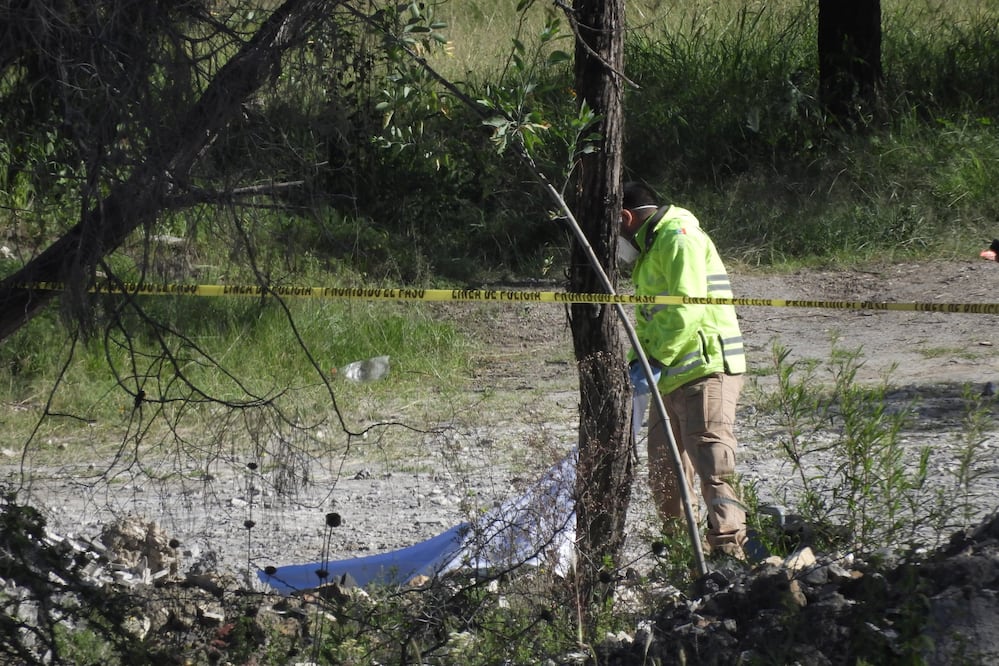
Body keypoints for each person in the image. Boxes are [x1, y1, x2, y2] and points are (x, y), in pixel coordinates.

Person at [620, 181, 748, 559]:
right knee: (665, 475)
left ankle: (729, 556)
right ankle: (685, 558)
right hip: (668, 378)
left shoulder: (678, 238)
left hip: (704, 370)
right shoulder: (651, 247)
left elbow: (684, 309)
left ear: (626, 218)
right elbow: (651, 320)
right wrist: (638, 363)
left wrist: (652, 362)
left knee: (713, 465)